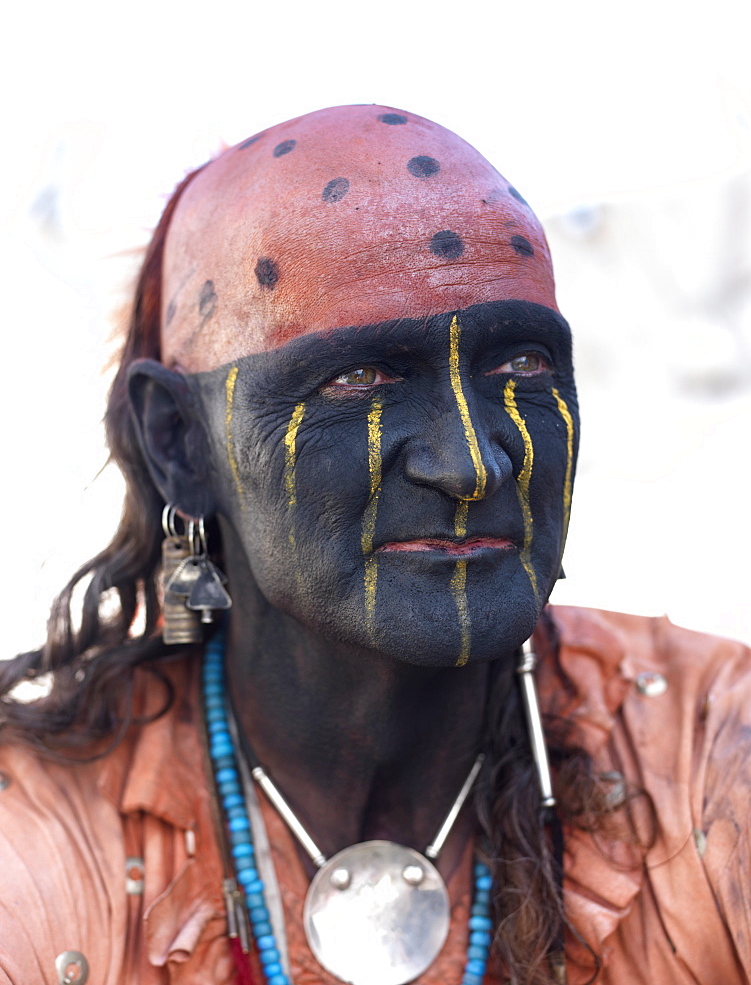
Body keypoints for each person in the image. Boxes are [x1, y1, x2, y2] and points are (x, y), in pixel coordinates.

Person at [0, 104, 749, 985]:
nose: (473, 464)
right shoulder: (40, 844)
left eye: (523, 366)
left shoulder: (703, 755)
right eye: (360, 377)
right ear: (180, 442)